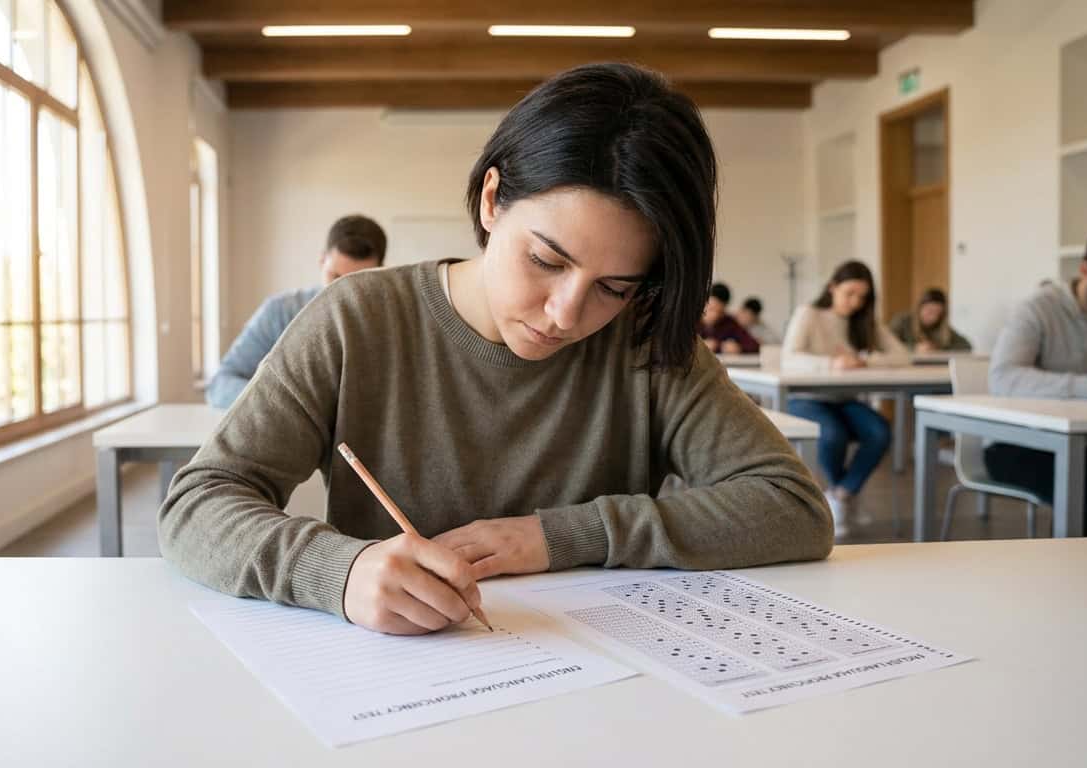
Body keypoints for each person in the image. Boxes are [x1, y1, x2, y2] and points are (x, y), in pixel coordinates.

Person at [159, 63, 832, 637]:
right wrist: (338, 570)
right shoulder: (355, 319)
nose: (565, 315)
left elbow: (793, 509)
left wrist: (559, 536)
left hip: (602, 681)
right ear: (491, 200)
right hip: (396, 682)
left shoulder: (644, 340)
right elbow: (198, 504)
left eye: (614, 287)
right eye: (546, 260)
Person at [987, 223, 1087, 537]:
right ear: (1085, 270)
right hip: (1018, 442)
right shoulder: (1038, 309)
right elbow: (1003, 377)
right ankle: (1070, 565)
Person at [781, 261, 909, 536]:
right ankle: (844, 496)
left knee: (879, 432)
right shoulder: (809, 314)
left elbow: (903, 356)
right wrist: (832, 363)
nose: (855, 302)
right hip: (806, 398)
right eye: (849, 293)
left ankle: (841, 495)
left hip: (844, 399)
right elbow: (788, 358)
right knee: (832, 434)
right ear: (832, 287)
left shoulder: (865, 322)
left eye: (862, 297)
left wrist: (865, 360)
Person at [205, 215, 387, 408]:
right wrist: (279, 401)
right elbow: (220, 385)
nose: (342, 292)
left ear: (380, 273)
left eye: (357, 281)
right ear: (322, 260)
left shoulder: (392, 322)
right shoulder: (280, 312)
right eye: (335, 276)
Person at [888, 288, 972, 352]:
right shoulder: (902, 321)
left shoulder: (941, 327)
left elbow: (966, 346)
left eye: (938, 313)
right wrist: (914, 349)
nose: (933, 317)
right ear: (920, 308)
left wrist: (938, 349)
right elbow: (886, 346)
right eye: (930, 311)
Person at [699, 282, 760, 354]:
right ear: (703, 304)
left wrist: (739, 348)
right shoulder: (692, 323)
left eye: (720, 312)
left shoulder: (729, 323)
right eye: (711, 309)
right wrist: (699, 346)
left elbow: (754, 346)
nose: (714, 315)